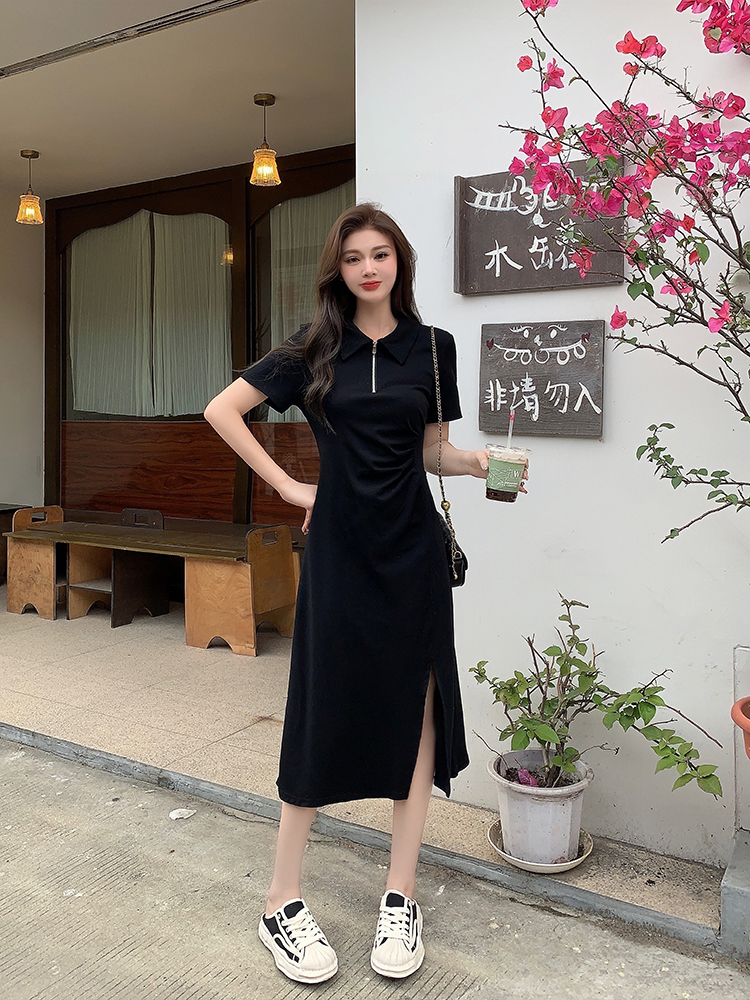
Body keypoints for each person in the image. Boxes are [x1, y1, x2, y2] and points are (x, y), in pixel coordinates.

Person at [204, 203, 527, 985]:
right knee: (323, 706)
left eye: (380, 254)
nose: (368, 268)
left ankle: (400, 895)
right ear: (338, 269)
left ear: (399, 262)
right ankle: (281, 900)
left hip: (413, 553)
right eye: (353, 258)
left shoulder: (433, 348)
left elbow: (431, 451)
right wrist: (290, 486)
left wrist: (478, 463)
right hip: (341, 552)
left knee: (416, 711)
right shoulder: (313, 347)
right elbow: (223, 410)